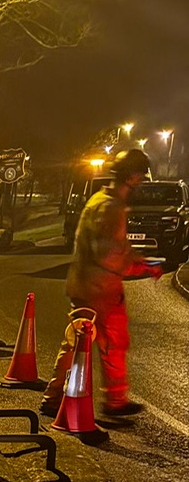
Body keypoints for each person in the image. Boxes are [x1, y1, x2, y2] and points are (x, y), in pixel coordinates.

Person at [41, 147, 162, 419]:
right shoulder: (112, 208)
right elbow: (109, 253)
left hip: (84, 284)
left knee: (74, 344)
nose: (142, 181)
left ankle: (53, 397)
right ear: (131, 177)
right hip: (102, 290)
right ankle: (114, 401)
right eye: (140, 176)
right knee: (112, 344)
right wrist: (142, 265)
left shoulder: (97, 200)